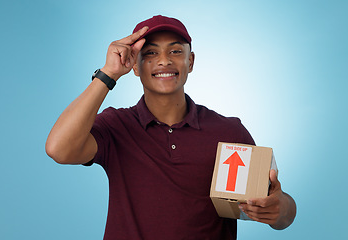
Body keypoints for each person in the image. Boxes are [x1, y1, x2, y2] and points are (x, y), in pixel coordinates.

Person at [46, 15, 296, 239]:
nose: (164, 61)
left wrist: (279, 208)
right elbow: (59, 149)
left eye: (176, 51)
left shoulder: (229, 131)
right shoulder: (116, 126)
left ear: (191, 62)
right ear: (134, 64)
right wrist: (108, 73)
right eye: (151, 53)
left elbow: (279, 210)